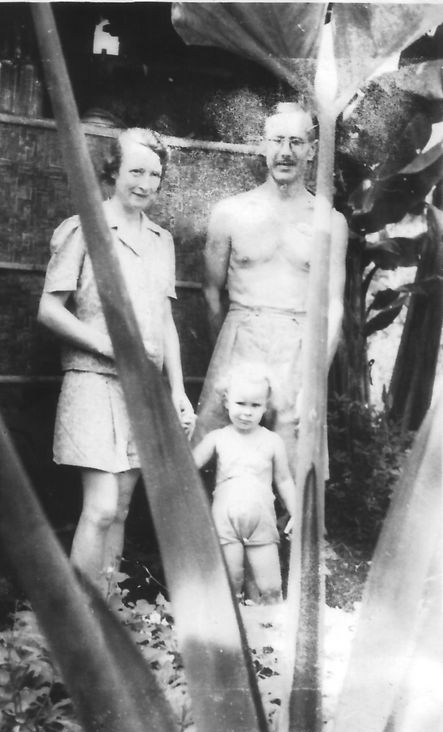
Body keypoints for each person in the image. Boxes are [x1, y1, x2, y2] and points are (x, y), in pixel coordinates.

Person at [38, 128, 194, 593]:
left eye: (155, 174)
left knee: (122, 506)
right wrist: (109, 346)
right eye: (135, 171)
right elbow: (48, 309)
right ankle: (80, 622)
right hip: (92, 380)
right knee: (102, 506)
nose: (145, 182)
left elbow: (165, 320)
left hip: (142, 389)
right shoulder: (83, 226)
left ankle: (108, 612)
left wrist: (178, 390)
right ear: (113, 172)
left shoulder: (161, 240)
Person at [194, 101, 348, 471]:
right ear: (263, 145)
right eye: (277, 140)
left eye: (297, 142)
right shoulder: (230, 212)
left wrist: (313, 379)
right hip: (240, 337)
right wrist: (227, 355)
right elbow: (212, 291)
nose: (285, 152)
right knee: (211, 457)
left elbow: (334, 306)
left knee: (293, 463)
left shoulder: (330, 221)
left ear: (311, 151)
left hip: (297, 348)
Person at [193, 364, 295, 603]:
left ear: (266, 406)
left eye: (255, 405)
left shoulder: (272, 441)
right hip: (224, 523)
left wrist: (297, 512)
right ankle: (236, 635)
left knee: (270, 587)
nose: (247, 412)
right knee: (230, 583)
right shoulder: (217, 438)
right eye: (241, 403)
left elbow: (284, 480)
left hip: (261, 522)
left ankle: (271, 631)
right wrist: (185, 431)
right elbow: (188, 466)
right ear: (226, 401)